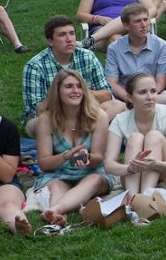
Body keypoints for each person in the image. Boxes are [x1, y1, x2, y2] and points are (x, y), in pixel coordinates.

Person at [33, 69, 113, 227]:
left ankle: (56, 210)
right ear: (57, 91)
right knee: (56, 186)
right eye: (69, 86)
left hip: (92, 172)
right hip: (58, 172)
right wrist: (66, 156)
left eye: (79, 86)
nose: (76, 91)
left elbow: (98, 159)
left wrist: (87, 158)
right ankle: (58, 219)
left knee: (94, 180)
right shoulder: (46, 119)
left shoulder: (99, 116)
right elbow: (43, 163)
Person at [22, 15, 123, 138]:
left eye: (72, 33)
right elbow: (37, 109)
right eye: (62, 35)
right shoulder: (35, 66)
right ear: (50, 41)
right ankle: (85, 133)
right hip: (55, 115)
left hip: (85, 112)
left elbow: (107, 94)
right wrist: (65, 95)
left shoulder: (87, 57)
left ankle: (73, 135)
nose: (69, 39)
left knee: (118, 106)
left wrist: (84, 92)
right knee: (39, 123)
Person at [104, 72, 166, 204]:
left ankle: (144, 200)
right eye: (142, 92)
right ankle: (133, 200)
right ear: (130, 97)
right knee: (135, 138)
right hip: (135, 174)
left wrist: (156, 164)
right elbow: (109, 165)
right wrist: (129, 169)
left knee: (153, 136)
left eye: (153, 91)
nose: (150, 97)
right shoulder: (120, 120)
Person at [105, 4, 166, 108]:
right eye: (137, 21)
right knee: (108, 102)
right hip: (126, 95)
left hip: (152, 94)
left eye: (146, 20)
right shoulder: (114, 48)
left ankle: (134, 108)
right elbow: (112, 83)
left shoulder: (161, 45)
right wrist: (130, 98)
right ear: (126, 25)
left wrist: (148, 97)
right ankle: (138, 107)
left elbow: (161, 82)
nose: (144, 25)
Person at [0, 86, 31, 235]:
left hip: (2, 182)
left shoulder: (8, 127)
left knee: (9, 203)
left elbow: (7, 175)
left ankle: (17, 226)